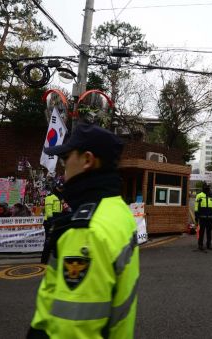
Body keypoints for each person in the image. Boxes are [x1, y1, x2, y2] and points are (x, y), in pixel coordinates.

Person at [28, 123, 139, 339]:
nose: (63, 166)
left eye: (66, 158)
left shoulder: (86, 230)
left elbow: (73, 328)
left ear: (87, 160)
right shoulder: (119, 210)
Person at [195, 183, 212, 251]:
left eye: (207, 187)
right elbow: (196, 206)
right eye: (205, 187)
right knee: (201, 232)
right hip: (202, 218)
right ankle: (200, 245)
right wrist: (196, 215)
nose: (206, 188)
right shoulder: (199, 195)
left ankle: (208, 244)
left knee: (209, 232)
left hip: (210, 217)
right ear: (203, 187)